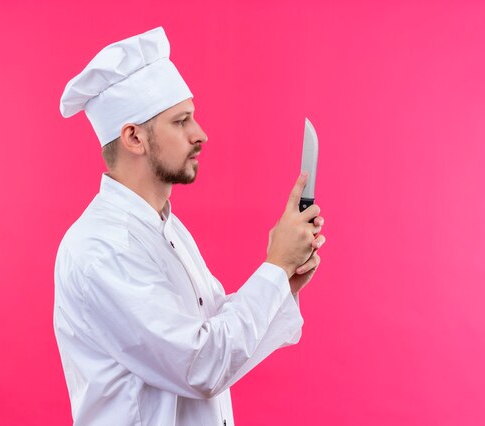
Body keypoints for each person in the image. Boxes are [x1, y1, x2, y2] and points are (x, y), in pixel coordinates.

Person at [53, 26, 326, 426]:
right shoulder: (102, 247)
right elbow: (201, 364)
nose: (200, 135)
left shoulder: (167, 228)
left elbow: (217, 334)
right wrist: (275, 266)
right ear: (133, 137)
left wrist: (283, 282)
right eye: (181, 122)